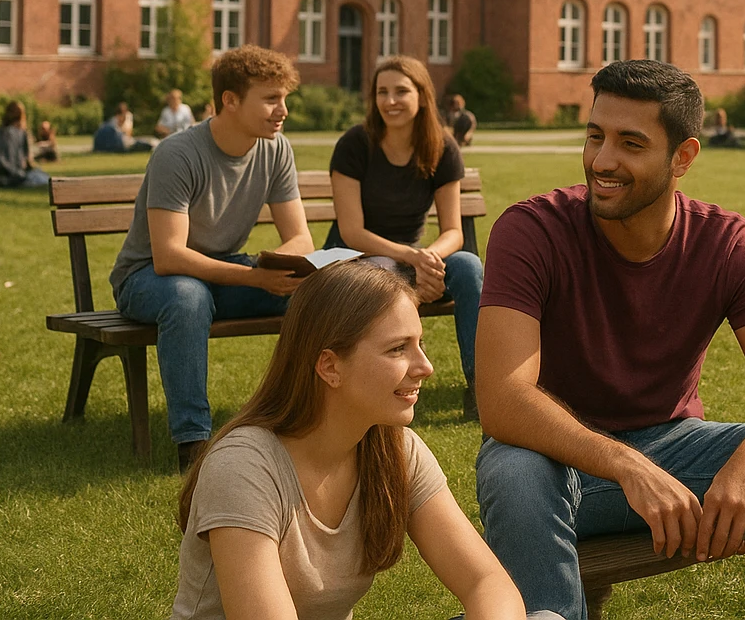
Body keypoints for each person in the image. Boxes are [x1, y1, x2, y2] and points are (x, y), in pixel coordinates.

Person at [475, 60, 745, 620]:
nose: (603, 160)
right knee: (513, 471)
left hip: (676, 451)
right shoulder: (531, 230)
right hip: (557, 461)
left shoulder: (728, 244)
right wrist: (626, 465)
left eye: (631, 143)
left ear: (683, 157)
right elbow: (503, 401)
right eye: (595, 136)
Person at [173, 261, 550, 620]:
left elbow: (488, 583)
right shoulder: (243, 468)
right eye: (398, 348)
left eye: (419, 344)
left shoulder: (395, 449)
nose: (426, 367)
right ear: (330, 367)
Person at [108, 46, 315, 471]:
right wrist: (256, 278)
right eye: (271, 99)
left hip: (223, 271)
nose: (284, 110)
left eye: (284, 98)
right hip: (148, 278)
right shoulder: (178, 154)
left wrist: (277, 265)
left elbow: (300, 237)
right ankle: (194, 445)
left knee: (317, 295)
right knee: (188, 297)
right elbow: (169, 257)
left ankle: (303, 421)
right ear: (230, 100)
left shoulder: (274, 149)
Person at [326, 56, 483, 420]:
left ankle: (480, 388)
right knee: (383, 269)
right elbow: (352, 232)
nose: (390, 101)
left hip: (413, 259)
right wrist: (413, 259)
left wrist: (429, 260)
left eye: (400, 91)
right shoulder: (355, 144)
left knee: (469, 266)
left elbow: (453, 231)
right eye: (382, 92)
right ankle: (386, 387)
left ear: (422, 96)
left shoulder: (441, 147)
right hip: (358, 259)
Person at [0, 101, 50, 188]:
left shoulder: (11, 132)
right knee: (40, 178)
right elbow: (0, 159)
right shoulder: (8, 133)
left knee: (40, 176)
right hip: (9, 176)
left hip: (14, 174)